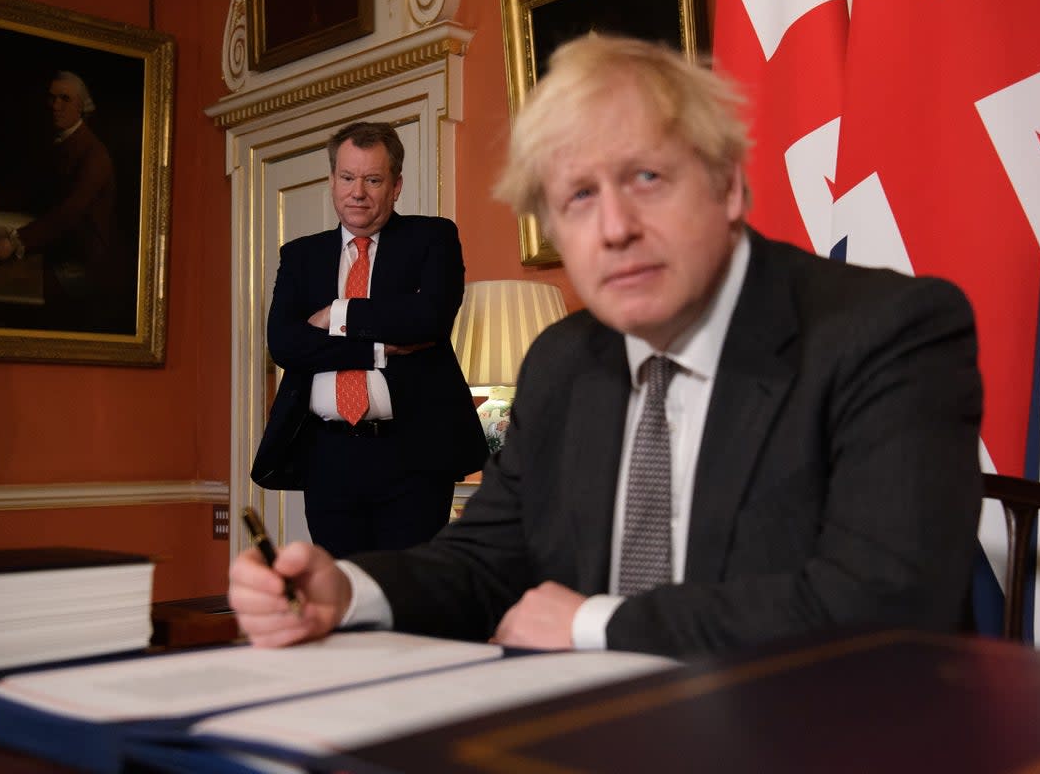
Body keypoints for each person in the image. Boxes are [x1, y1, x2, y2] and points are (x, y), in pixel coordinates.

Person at [230, 36, 983, 658]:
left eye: (647, 177)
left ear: (726, 186)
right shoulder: (564, 359)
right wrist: (350, 591)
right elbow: (485, 560)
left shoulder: (888, 331)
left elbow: (888, 604)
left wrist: (597, 624)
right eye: (578, 197)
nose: (614, 227)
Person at [250, 121, 488, 558]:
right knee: (345, 594)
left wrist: (334, 314)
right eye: (347, 177)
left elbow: (426, 321)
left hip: (411, 456)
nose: (357, 192)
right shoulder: (301, 256)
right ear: (332, 180)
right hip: (327, 456)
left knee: (407, 595)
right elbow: (285, 343)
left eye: (372, 179)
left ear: (395, 186)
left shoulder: (432, 238)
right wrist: (376, 347)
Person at [0, 71, 123, 331]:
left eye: (65, 99)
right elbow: (33, 190)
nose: (55, 106)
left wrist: (17, 242)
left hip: (82, 265)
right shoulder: (61, 142)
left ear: (82, 107)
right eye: (52, 98)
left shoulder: (94, 155)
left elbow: (69, 212)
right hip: (56, 248)